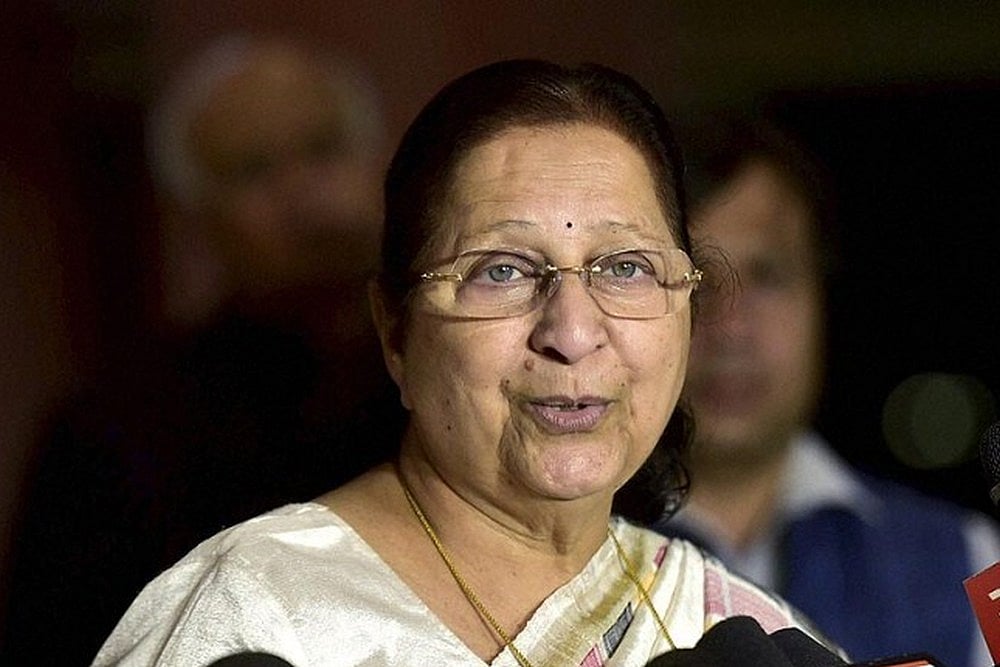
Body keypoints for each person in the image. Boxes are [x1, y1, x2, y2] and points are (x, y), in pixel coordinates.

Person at [92, 60, 838, 666]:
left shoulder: (741, 631)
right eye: (501, 271)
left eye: (625, 267)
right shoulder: (254, 615)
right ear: (394, 331)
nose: (573, 332)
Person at [2, 34, 395, 666]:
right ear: (198, 218)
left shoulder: (466, 373)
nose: (302, 191)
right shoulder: (114, 435)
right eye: (255, 170)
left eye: (323, 148)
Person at [651, 115, 1000, 667]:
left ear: (821, 295)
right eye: (697, 281)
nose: (731, 326)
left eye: (768, 276)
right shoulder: (560, 563)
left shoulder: (972, 561)